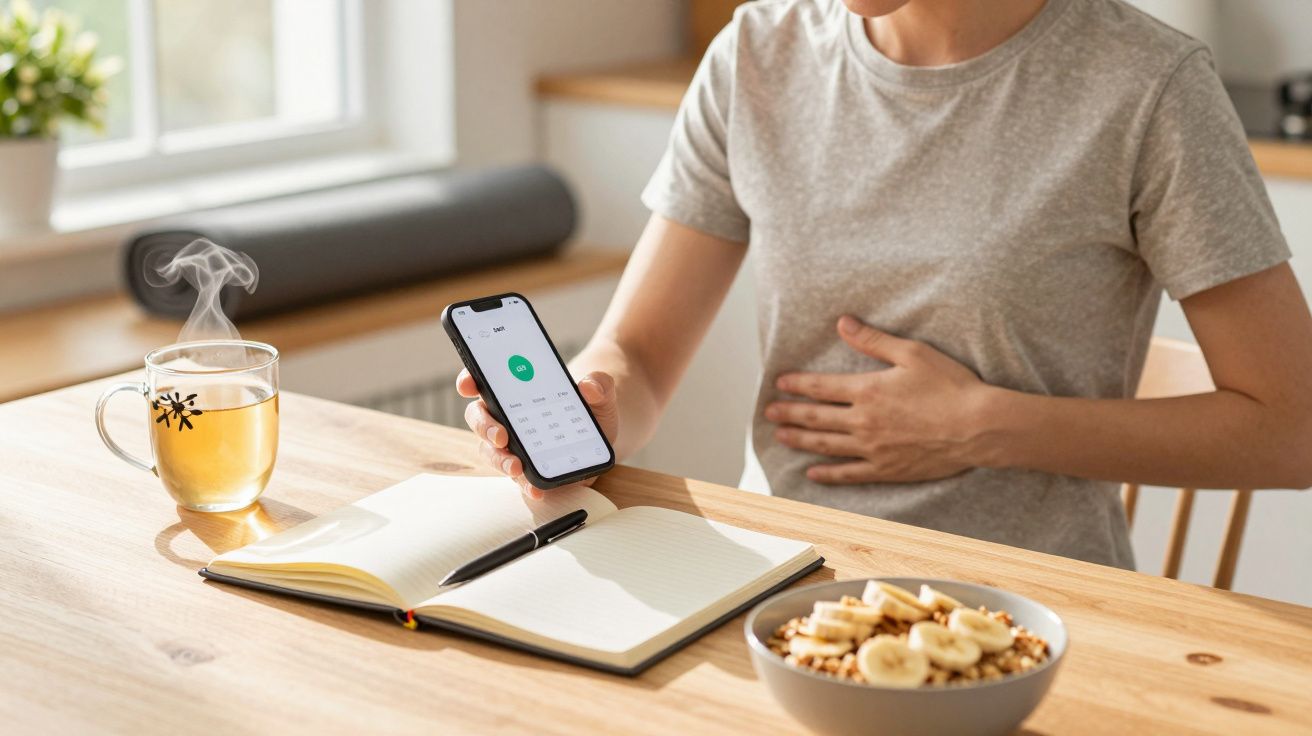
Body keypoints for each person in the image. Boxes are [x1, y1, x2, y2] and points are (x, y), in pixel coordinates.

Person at [457, 0, 1312, 568]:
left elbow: (1291, 430)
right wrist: (597, 403)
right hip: (779, 585)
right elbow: (638, 355)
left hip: (1032, 615)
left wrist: (991, 428)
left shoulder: (1146, 87)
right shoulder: (758, 55)